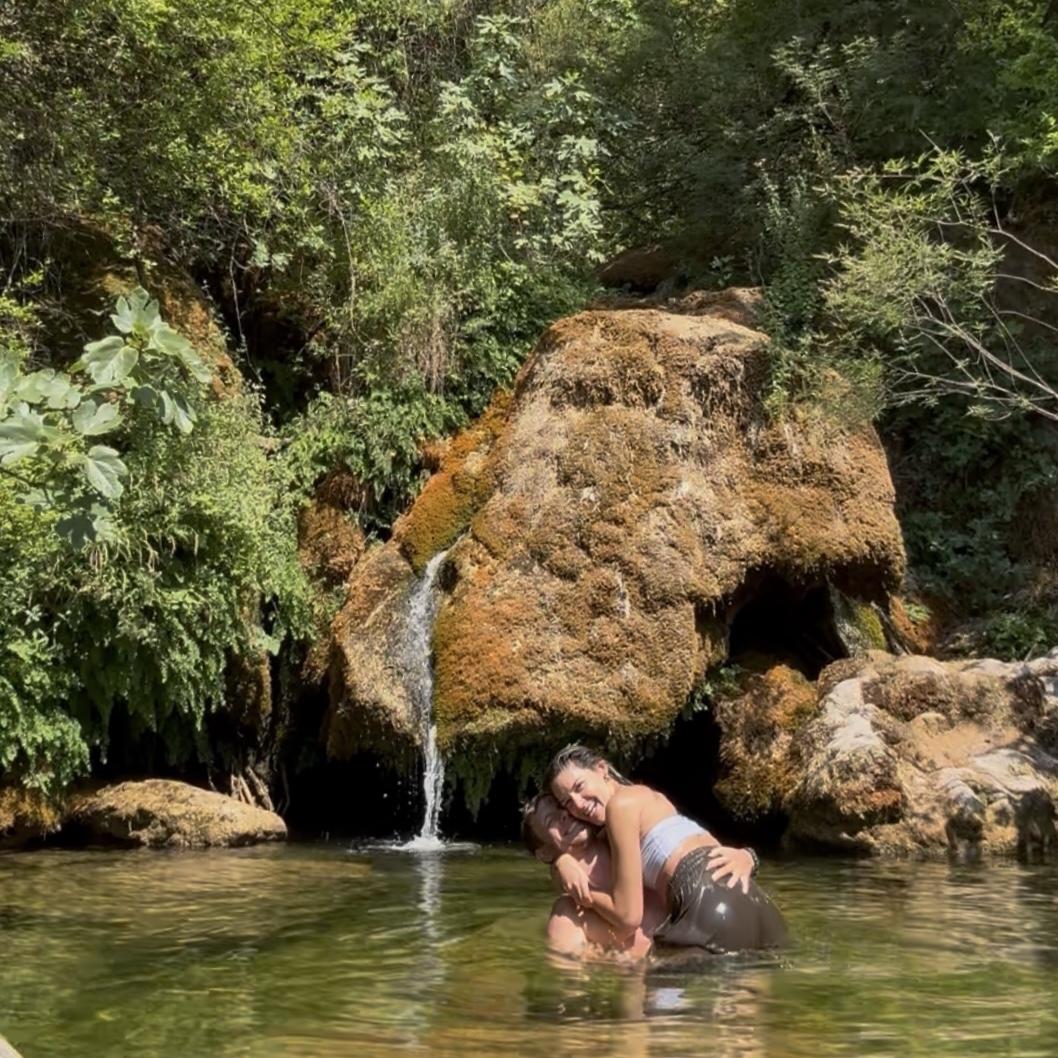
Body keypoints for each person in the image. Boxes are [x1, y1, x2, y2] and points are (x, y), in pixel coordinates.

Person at [545, 744, 788, 954]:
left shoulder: (619, 807)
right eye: (567, 803)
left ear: (601, 769)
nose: (578, 804)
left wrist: (582, 894)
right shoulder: (653, 799)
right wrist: (749, 856)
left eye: (579, 786)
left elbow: (628, 916)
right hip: (756, 905)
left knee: (656, 990)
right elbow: (697, 851)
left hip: (709, 905)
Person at [521, 792, 665, 961]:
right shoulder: (568, 915)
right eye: (550, 820)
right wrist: (560, 862)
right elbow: (570, 974)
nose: (564, 814)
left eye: (563, 806)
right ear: (545, 853)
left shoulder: (629, 837)